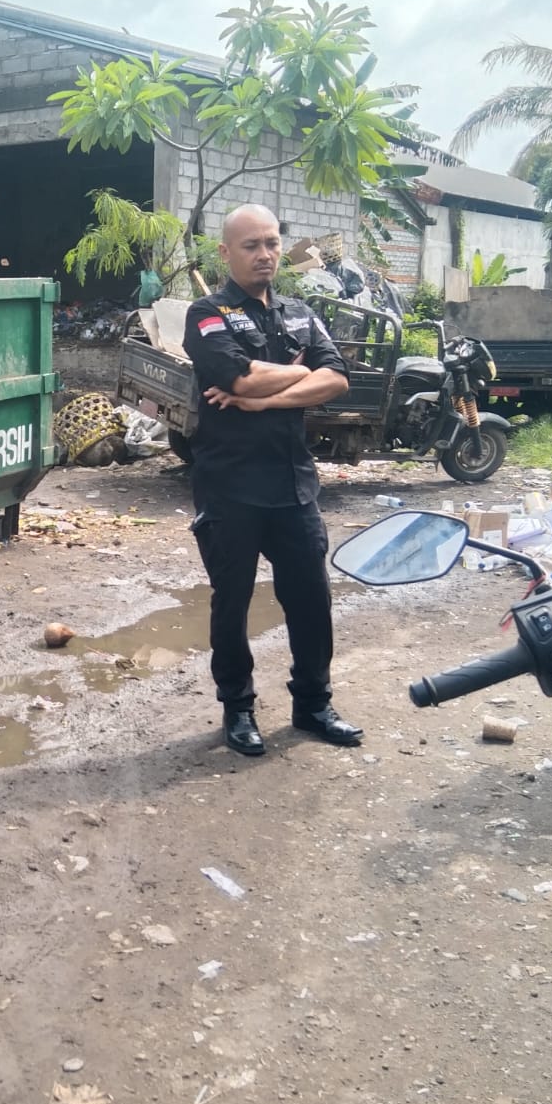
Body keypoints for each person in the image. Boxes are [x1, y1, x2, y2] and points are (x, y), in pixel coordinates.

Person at [182, 204, 363, 756]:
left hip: (293, 485)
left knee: (311, 599)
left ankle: (313, 704)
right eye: (251, 246)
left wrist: (266, 400)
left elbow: (337, 378)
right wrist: (301, 371)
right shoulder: (206, 314)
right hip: (230, 486)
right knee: (232, 601)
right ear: (226, 253)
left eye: (272, 243)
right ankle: (238, 709)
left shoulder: (300, 313)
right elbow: (240, 376)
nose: (264, 255)